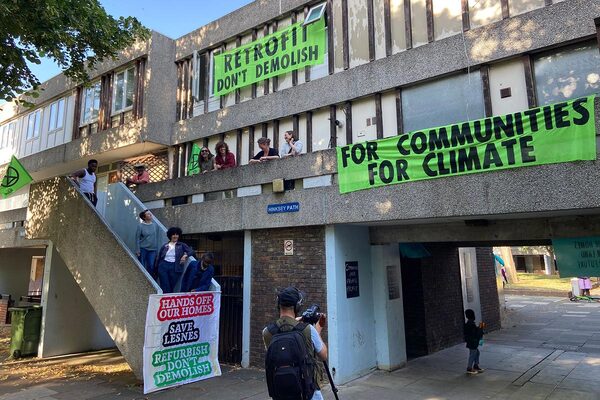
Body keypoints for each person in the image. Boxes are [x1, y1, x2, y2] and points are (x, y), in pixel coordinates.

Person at [263, 287, 327, 400]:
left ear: (278, 305)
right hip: (308, 392)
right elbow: (323, 355)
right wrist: (318, 330)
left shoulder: (267, 332)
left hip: (280, 392)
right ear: (297, 306)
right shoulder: (307, 330)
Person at [154, 227, 194, 293]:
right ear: (170, 235)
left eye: (177, 234)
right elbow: (159, 258)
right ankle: (165, 301)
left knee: (171, 286)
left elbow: (191, 251)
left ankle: (168, 301)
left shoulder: (182, 245)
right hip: (163, 266)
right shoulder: (165, 246)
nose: (175, 236)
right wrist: (156, 268)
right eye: (173, 234)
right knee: (164, 285)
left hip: (175, 267)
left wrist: (185, 256)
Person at [135, 210, 158, 276]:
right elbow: (137, 238)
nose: (150, 215)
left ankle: (149, 282)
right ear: (144, 217)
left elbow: (155, 238)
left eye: (150, 213)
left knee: (151, 266)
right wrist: (137, 250)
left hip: (152, 250)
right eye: (148, 214)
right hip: (143, 249)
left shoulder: (155, 225)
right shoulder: (140, 226)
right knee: (141, 265)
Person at [464, 309, 485, 375]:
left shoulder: (469, 323)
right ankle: (469, 368)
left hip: (471, 342)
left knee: (476, 353)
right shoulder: (471, 324)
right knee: (473, 354)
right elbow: (475, 334)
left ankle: (476, 365)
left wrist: (478, 328)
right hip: (472, 342)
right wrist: (480, 328)